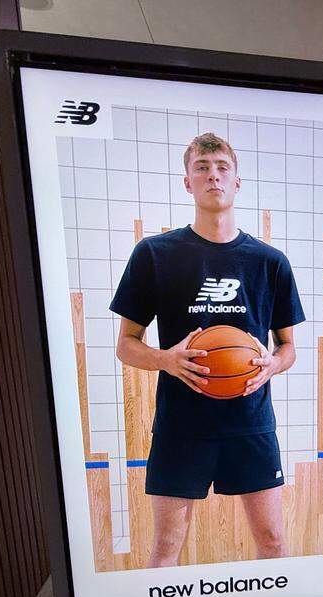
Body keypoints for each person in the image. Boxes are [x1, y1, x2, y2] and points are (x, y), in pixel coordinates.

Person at [111, 132, 306, 567]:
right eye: (202, 167)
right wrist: (166, 359)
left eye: (222, 168)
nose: (213, 176)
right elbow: (126, 344)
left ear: (238, 182)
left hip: (250, 422)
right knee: (166, 546)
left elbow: (289, 347)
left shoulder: (270, 262)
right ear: (187, 183)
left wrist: (272, 365)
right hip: (181, 423)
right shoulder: (154, 255)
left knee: (273, 541)